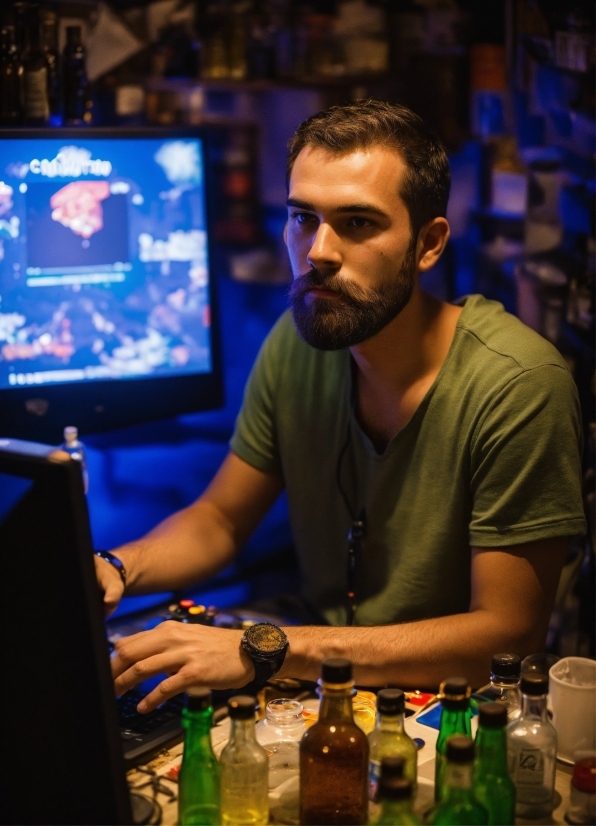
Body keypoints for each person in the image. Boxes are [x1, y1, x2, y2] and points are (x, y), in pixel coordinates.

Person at [101, 101, 585, 713]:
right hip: (315, 688)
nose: (318, 251)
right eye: (304, 217)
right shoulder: (298, 340)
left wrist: (263, 646)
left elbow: (506, 634)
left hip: (451, 716)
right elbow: (221, 521)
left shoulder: (518, 385)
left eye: (357, 223)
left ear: (428, 244)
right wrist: (118, 566)